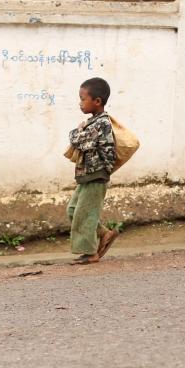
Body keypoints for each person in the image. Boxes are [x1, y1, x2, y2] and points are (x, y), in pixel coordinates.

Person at [66, 77, 119, 264]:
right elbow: (81, 139)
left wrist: (76, 131)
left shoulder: (101, 123)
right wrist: (79, 131)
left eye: (83, 99)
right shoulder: (94, 122)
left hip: (96, 176)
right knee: (73, 210)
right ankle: (105, 234)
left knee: (85, 213)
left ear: (97, 101)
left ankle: (90, 253)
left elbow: (80, 141)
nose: (80, 103)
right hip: (87, 176)